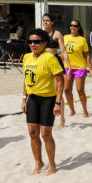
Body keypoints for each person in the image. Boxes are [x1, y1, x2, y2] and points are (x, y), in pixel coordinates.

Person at [22, 29, 65, 175]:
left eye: (36, 42)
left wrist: (58, 102)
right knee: (32, 132)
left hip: (48, 98)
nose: (33, 44)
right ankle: (38, 162)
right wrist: (24, 99)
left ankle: (52, 165)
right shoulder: (27, 57)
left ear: (45, 43)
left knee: (46, 133)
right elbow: (26, 80)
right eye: (30, 42)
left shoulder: (49, 57)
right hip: (32, 98)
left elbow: (60, 80)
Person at [42, 13, 71, 129]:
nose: (45, 22)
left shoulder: (57, 34)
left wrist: (68, 66)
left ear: (52, 22)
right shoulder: (41, 34)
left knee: (58, 92)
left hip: (54, 63)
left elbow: (63, 50)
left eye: (47, 20)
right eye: (44, 20)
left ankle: (62, 118)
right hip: (44, 63)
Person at [63, 19, 92, 118]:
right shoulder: (65, 37)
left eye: (75, 26)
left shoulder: (82, 39)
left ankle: (85, 110)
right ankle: (72, 110)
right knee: (67, 90)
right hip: (68, 67)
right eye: (71, 25)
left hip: (80, 68)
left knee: (80, 90)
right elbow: (63, 53)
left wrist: (91, 68)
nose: (73, 27)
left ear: (78, 28)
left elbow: (87, 55)